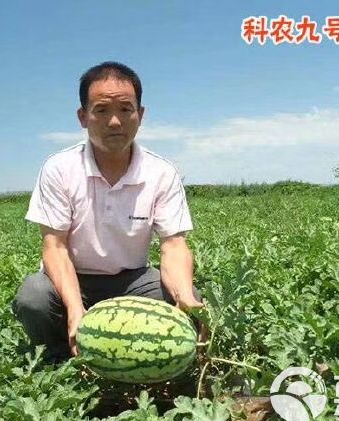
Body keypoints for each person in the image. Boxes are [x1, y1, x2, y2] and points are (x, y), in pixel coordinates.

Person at [12, 61, 204, 363]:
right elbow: (55, 247)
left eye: (126, 109)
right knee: (33, 296)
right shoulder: (60, 169)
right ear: (83, 117)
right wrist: (76, 311)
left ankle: (153, 368)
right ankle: (60, 360)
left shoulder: (161, 172)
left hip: (134, 282)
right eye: (101, 110)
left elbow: (174, 245)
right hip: (75, 279)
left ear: (140, 115)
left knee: (188, 296)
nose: (115, 121)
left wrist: (184, 298)